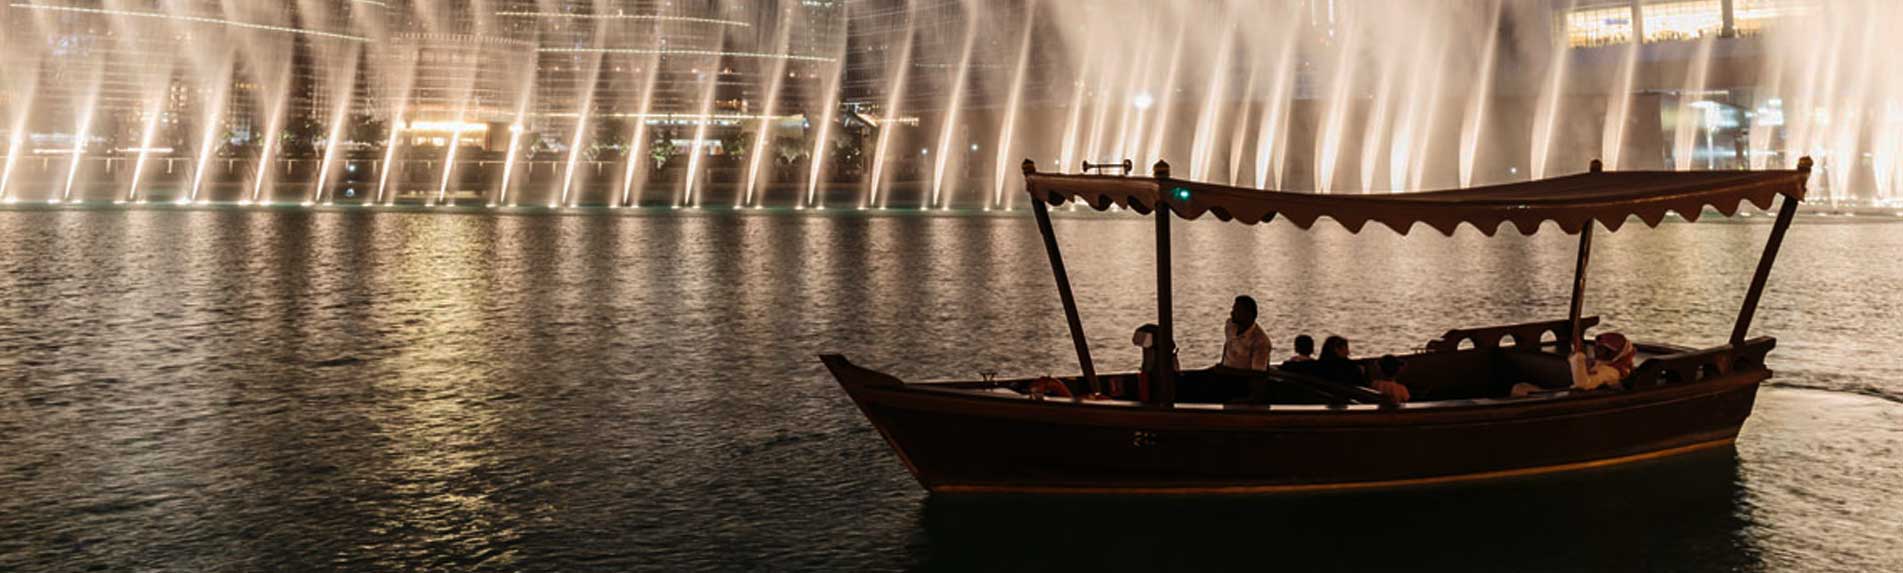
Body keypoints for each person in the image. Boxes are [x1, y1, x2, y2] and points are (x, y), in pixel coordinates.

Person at [1221, 296, 1272, 371]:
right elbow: (1227, 346)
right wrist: (1222, 364)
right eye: (1233, 309)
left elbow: (1258, 373)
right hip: (1223, 371)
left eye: (1237, 310)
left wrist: (1229, 372)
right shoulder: (1230, 325)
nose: (1232, 313)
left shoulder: (1260, 341)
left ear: (1249, 315)